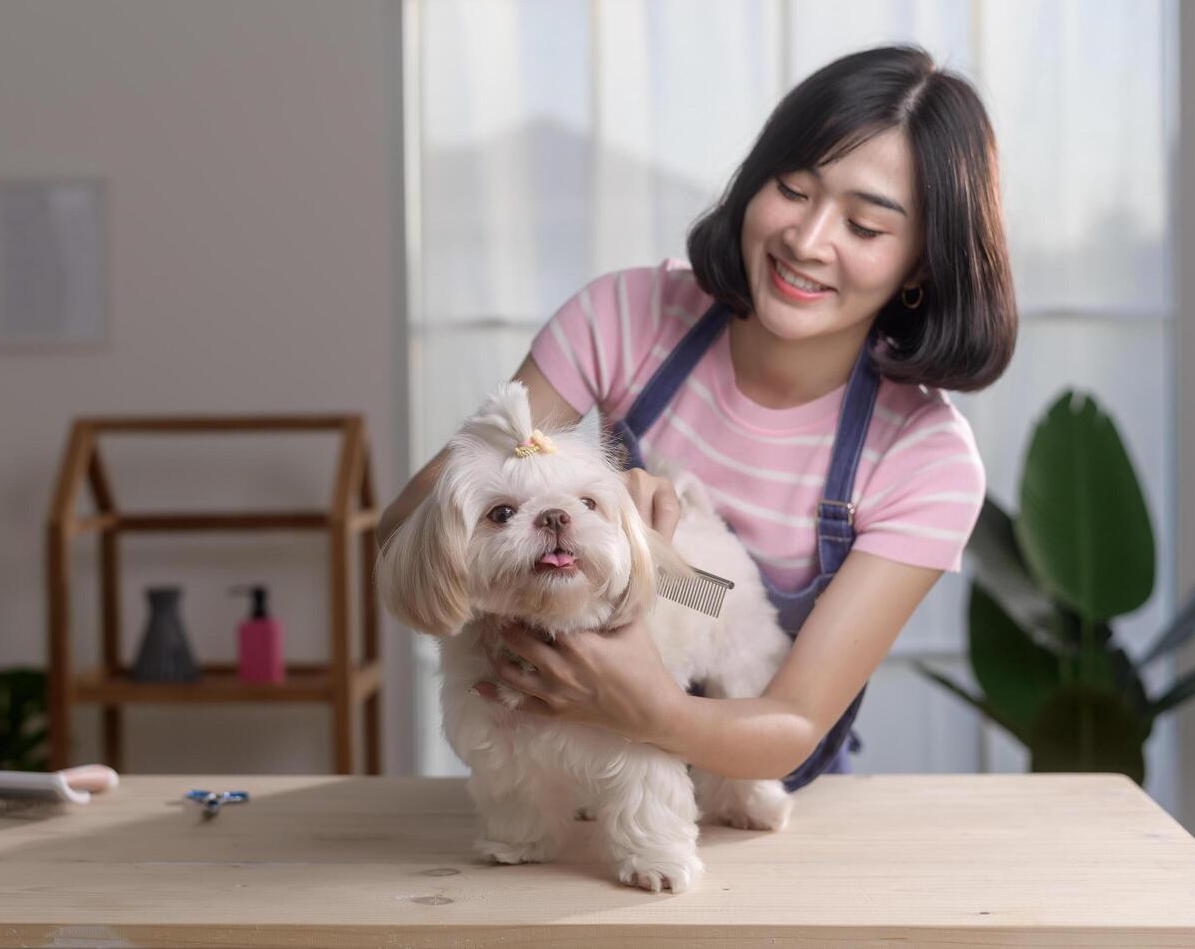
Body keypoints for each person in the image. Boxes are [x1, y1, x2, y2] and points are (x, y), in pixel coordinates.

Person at [377, 44, 1017, 787]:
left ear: (920, 265)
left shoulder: (923, 460)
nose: (806, 242)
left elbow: (795, 725)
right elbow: (403, 528)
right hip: (578, 781)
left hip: (760, 805)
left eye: (865, 228)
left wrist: (651, 696)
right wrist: (615, 539)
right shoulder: (627, 316)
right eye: (791, 188)